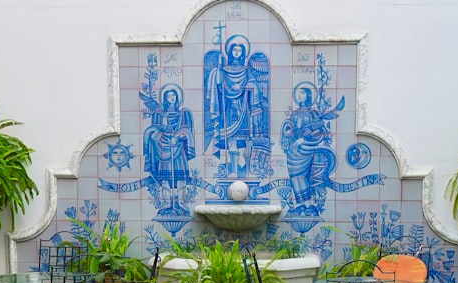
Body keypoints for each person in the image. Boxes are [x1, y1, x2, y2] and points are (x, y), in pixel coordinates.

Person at [204, 37, 269, 178]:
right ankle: (233, 170)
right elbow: (220, 85)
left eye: (239, 50)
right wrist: (219, 69)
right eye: (234, 49)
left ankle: (246, 171)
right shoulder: (224, 69)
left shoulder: (246, 70)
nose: (237, 52)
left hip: (243, 107)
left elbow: (255, 85)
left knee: (246, 140)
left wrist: (243, 86)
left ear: (243, 52)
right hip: (229, 108)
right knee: (231, 140)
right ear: (230, 51)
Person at [280, 83, 341, 206]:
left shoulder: (313, 113)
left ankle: (307, 203)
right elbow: (293, 130)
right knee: (293, 176)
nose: (299, 95)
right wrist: (288, 133)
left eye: (302, 93)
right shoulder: (295, 114)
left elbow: (319, 129)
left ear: (308, 96)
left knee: (301, 176)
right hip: (294, 150)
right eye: (298, 93)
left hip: (306, 149)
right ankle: (299, 202)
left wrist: (305, 137)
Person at [141, 86, 195, 212]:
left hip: (178, 149)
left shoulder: (183, 113)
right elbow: (153, 133)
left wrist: (178, 138)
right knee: (165, 178)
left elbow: (187, 130)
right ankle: (166, 203)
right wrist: (162, 130)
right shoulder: (159, 115)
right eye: (169, 96)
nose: (172, 98)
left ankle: (181, 203)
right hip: (163, 149)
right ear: (165, 99)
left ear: (177, 97)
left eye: (173, 95)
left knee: (180, 177)